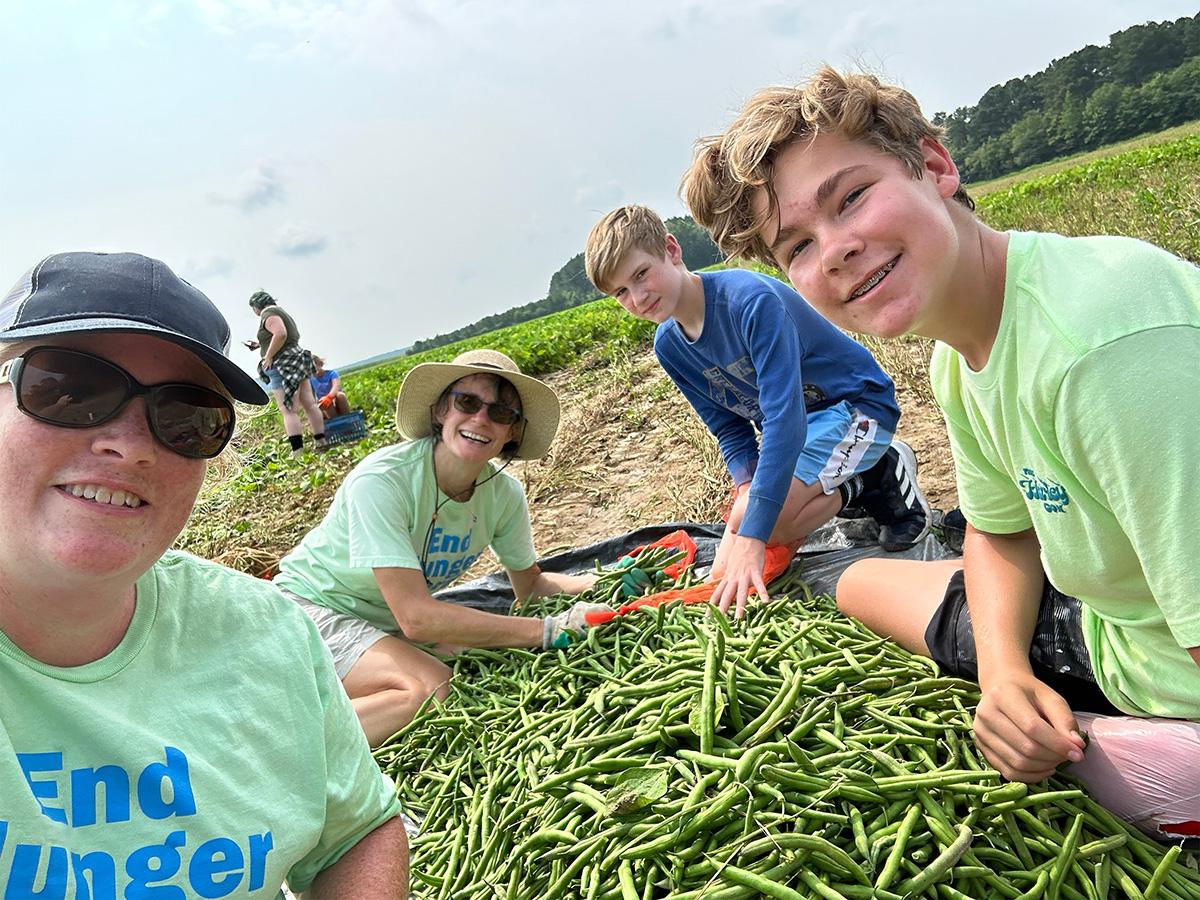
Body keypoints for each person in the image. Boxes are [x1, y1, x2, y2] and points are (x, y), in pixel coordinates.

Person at [683, 66, 1200, 784]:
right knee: (860, 583)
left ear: (934, 165)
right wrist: (1003, 674)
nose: (833, 250)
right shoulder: (958, 358)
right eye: (797, 246)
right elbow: (1000, 528)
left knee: (1133, 779)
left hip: (1169, 678)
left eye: (851, 197)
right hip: (1119, 622)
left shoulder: (1101, 349)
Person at [0, 252, 408, 897]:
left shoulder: (267, 630)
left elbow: (358, 831)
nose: (130, 444)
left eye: (186, 418)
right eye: (67, 388)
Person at [583, 205, 930, 617]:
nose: (637, 297)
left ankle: (879, 470)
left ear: (671, 250)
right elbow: (729, 429)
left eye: (641, 274)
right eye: (620, 292)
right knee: (754, 516)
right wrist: (747, 488)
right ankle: (858, 483)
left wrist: (751, 537)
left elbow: (784, 419)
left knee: (763, 526)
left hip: (855, 409)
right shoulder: (669, 346)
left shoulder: (749, 302)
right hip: (804, 430)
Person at [274, 349, 606, 747]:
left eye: (501, 413)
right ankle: (284, 747)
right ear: (440, 411)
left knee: (475, 660)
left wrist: (604, 583)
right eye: (467, 402)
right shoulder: (384, 480)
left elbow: (530, 587)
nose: (481, 419)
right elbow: (417, 617)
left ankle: (333, 696)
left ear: (512, 433)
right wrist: (547, 630)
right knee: (431, 688)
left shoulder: (503, 494)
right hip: (311, 610)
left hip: (384, 621)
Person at [246, 290, 326, 457]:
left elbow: (281, 334)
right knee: (309, 404)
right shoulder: (281, 311)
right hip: (297, 360)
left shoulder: (268, 314)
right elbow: (284, 337)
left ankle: (298, 452)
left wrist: (268, 356)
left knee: (288, 410)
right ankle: (321, 441)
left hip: (284, 365)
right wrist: (259, 346)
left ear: (257, 306)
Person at [311, 355, 351, 420]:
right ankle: (337, 425)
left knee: (340, 395)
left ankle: (348, 420)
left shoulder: (332, 373)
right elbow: (311, 396)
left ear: (319, 364)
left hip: (337, 400)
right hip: (325, 406)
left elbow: (336, 387)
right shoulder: (311, 380)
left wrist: (329, 397)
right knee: (323, 402)